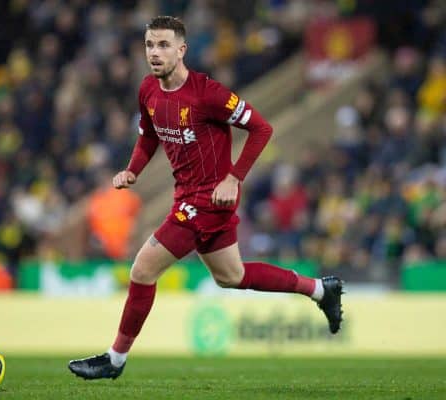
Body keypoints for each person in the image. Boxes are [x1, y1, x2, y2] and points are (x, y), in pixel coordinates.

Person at [68, 16, 343, 380]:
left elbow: (262, 128)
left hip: (209, 200)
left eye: (164, 45)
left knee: (142, 268)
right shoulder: (148, 90)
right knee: (232, 275)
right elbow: (149, 134)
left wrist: (234, 178)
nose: (155, 52)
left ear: (182, 50)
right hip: (187, 194)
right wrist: (133, 169)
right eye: (150, 45)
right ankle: (321, 290)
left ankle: (114, 359)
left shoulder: (208, 93)